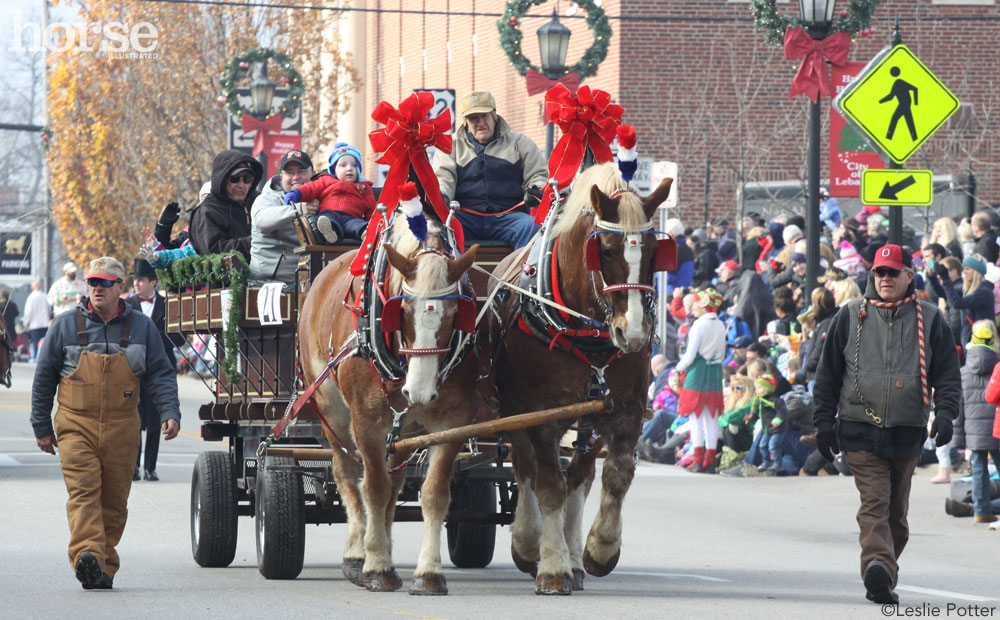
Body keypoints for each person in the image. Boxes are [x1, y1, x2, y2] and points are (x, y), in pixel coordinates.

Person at [813, 244, 961, 605]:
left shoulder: (930, 318)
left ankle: (885, 572)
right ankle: (877, 564)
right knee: (875, 502)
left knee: (897, 514)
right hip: (859, 426)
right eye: (879, 272)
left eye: (892, 272)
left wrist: (944, 413)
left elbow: (946, 373)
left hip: (907, 429)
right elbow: (828, 375)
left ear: (908, 275)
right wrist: (822, 423)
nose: (885, 278)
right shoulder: (849, 316)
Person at [30, 257, 181, 590]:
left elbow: (160, 373)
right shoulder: (64, 325)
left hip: (123, 426)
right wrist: (41, 426)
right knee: (84, 493)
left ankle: (102, 566)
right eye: (92, 282)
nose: (97, 288)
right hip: (75, 424)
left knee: (114, 501)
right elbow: (44, 380)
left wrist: (169, 411)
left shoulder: (143, 327)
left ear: (121, 288)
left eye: (105, 283)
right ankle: (87, 554)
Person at [432, 90, 547, 249]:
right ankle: (449, 272)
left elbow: (537, 175)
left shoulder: (520, 143)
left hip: (509, 217)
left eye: (484, 116)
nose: (480, 123)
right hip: (465, 217)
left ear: (494, 116)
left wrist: (536, 189)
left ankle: (524, 273)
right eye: (473, 118)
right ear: (465, 122)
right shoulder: (450, 146)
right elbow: (443, 179)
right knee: (438, 229)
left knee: (531, 227)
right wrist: (442, 196)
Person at [126, 259, 177, 482]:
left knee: (157, 420)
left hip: (160, 366)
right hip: (134, 370)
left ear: (153, 282)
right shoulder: (127, 306)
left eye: (141, 280)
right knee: (134, 418)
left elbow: (177, 336)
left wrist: (156, 338)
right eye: (134, 280)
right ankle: (134, 466)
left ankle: (150, 467)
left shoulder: (168, 305)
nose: (136, 284)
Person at [675, 288, 727, 474]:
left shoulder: (698, 325)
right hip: (714, 372)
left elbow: (690, 355)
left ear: (704, 306)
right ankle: (710, 461)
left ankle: (697, 461)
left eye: (696, 304)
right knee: (712, 418)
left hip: (697, 373)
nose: (693, 307)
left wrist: (678, 369)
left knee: (696, 419)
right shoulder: (721, 325)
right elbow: (722, 352)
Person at [283, 142, 374, 245]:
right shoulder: (325, 180)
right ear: (334, 170)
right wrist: (296, 193)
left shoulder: (364, 187)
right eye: (343, 165)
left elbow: (371, 208)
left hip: (352, 217)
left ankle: (365, 232)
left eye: (354, 165)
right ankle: (330, 233)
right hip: (330, 213)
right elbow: (310, 188)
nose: (349, 168)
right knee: (326, 221)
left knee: (358, 225)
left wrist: (375, 223)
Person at [251, 149, 320, 284]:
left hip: (312, 280)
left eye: (301, 171)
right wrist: (298, 209)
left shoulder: (320, 196)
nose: (296, 177)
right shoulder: (268, 197)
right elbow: (261, 221)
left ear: (313, 174)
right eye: (290, 172)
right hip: (268, 282)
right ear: (282, 176)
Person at [188, 149, 263, 260]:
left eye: (247, 179)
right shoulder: (207, 211)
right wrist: (255, 242)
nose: (241, 185)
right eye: (235, 179)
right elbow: (213, 252)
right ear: (222, 180)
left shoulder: (259, 202)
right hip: (228, 277)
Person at [959, 322, 1000, 523]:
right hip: (996, 427)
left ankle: (980, 510)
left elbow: (958, 409)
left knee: (978, 469)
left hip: (974, 431)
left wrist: (958, 438)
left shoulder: (963, 373)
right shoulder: (998, 366)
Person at [927, 254, 994, 348]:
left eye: (968, 269)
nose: (964, 272)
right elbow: (945, 294)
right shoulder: (968, 289)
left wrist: (946, 279)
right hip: (970, 340)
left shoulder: (984, 292)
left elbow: (957, 303)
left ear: (977, 271)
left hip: (980, 341)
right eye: (964, 269)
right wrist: (932, 277)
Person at [23, 280, 51, 363]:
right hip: (45, 323)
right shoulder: (45, 296)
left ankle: (36, 358)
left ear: (32, 287)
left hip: (34, 325)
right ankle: (44, 358)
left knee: (35, 342)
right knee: (44, 342)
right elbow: (49, 309)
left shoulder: (31, 297)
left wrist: (26, 324)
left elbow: (28, 312)